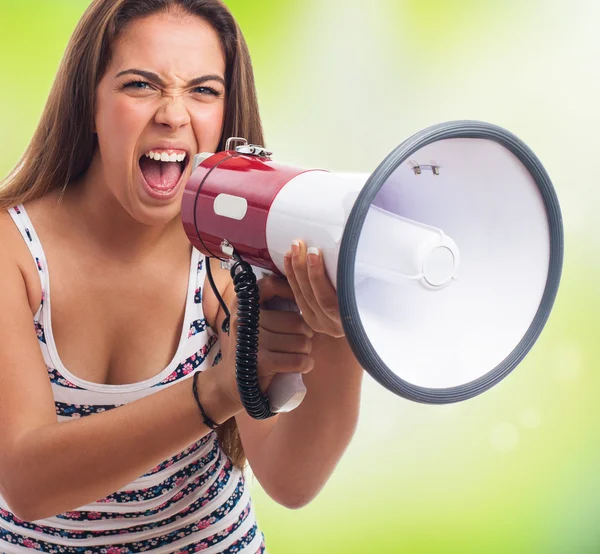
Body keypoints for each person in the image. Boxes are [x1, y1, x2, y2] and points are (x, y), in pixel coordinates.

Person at [0, 0, 364, 552]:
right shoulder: (13, 251)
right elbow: (28, 482)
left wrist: (338, 333)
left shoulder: (230, 253)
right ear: (89, 104)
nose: (174, 113)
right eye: (141, 85)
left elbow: (291, 480)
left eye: (203, 90)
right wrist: (220, 388)